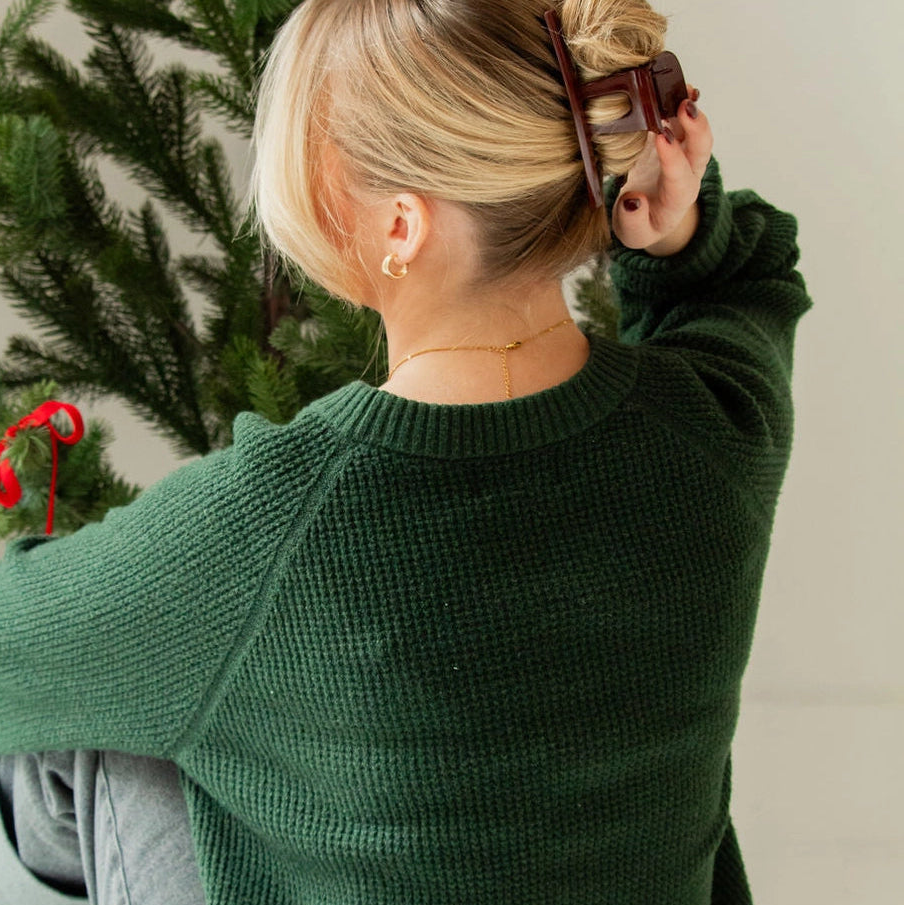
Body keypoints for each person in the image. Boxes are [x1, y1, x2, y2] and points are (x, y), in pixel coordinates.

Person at [0, 0, 811, 903]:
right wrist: (676, 229)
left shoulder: (269, 521)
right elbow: (744, 286)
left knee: (83, 729)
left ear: (401, 225)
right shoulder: (713, 429)